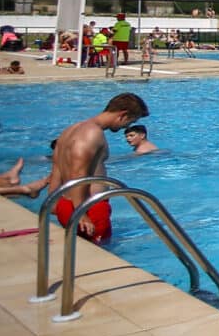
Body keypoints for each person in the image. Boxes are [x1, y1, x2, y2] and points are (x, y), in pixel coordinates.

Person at [50, 92, 149, 242]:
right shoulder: (92, 133)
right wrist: (80, 212)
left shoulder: (71, 130)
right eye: (129, 122)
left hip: (66, 203)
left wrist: (52, 200)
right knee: (101, 256)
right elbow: (79, 172)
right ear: (123, 115)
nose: (126, 127)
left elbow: (57, 167)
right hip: (89, 208)